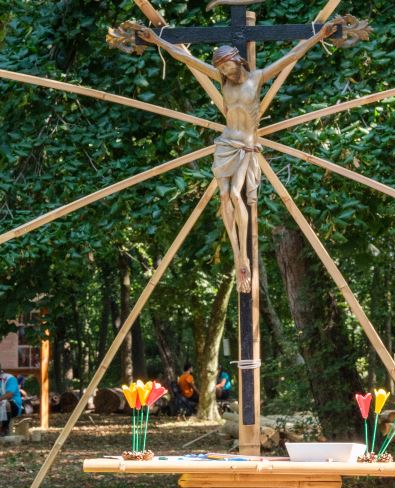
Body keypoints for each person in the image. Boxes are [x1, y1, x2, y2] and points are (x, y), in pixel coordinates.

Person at [117, 14, 367, 293]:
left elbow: (292, 54)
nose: (225, 72)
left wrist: (319, 36)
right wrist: (158, 41)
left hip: (246, 146)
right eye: (221, 69)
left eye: (227, 66)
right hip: (226, 144)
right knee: (224, 196)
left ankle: (243, 258)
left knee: (236, 196)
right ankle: (238, 254)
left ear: (238, 59)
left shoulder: (257, 78)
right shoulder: (223, 82)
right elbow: (186, 59)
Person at [0, 367, 23, 436]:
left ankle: (4, 428)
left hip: (14, 405)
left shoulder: (9, 378)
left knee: (5, 403)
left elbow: (9, 395)